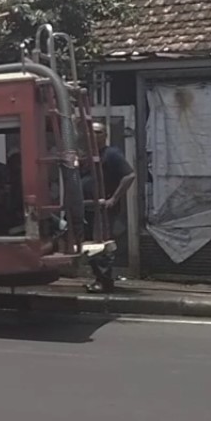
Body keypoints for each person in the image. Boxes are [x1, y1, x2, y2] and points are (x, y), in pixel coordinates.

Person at [87, 121, 136, 293]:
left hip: (103, 209)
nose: (94, 135)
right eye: (91, 132)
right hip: (88, 208)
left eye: (98, 132)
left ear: (105, 136)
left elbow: (129, 175)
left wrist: (113, 199)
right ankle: (98, 279)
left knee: (102, 245)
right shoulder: (88, 155)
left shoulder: (111, 154)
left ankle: (104, 282)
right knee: (91, 246)